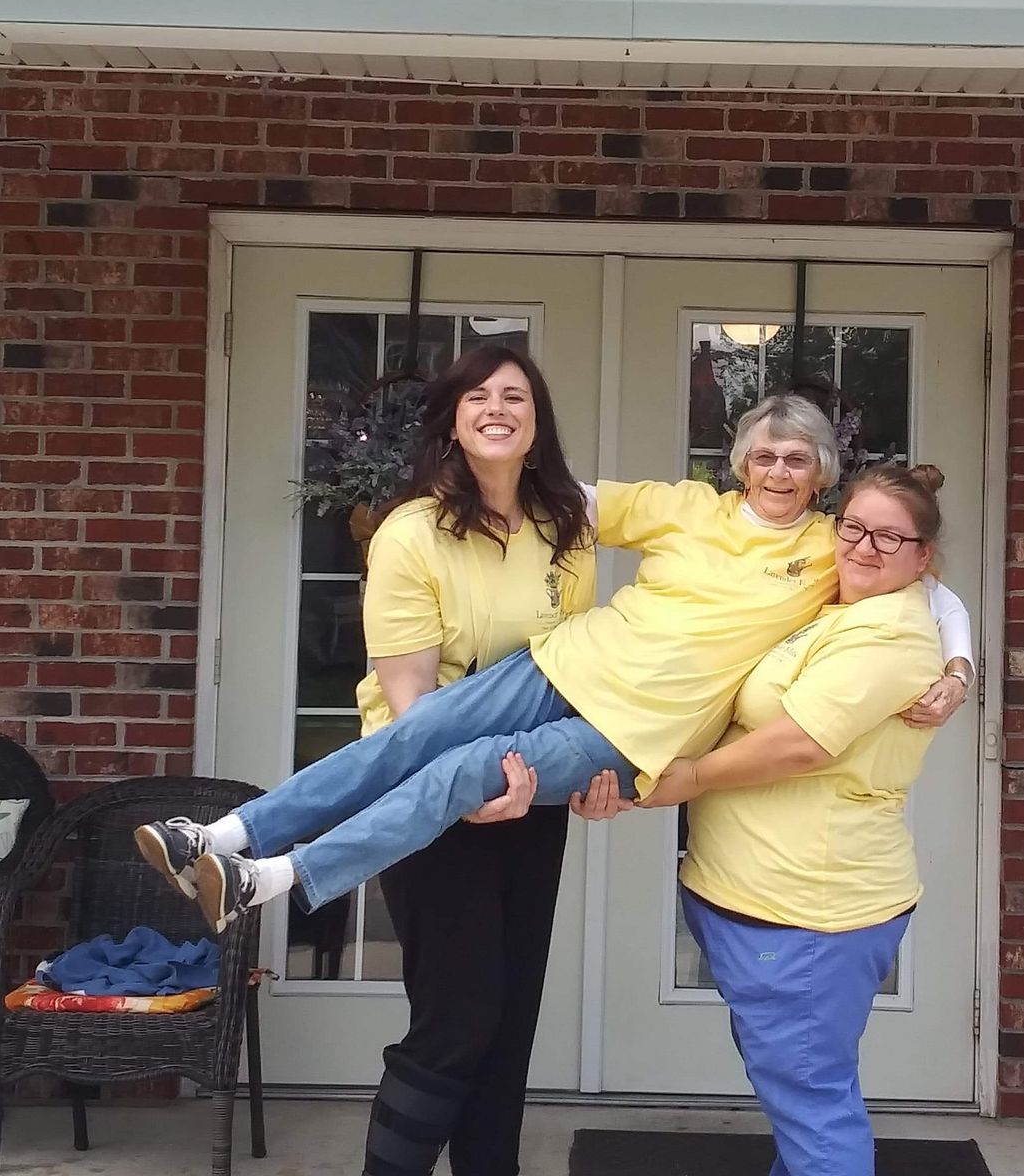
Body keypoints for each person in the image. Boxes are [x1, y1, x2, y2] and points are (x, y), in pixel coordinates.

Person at [135, 392, 973, 941]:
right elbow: (554, 497)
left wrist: (959, 670)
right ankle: (217, 837)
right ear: (740, 462)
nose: (779, 472)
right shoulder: (684, 507)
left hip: (628, 729)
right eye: (765, 455)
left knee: (464, 771)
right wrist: (456, 487)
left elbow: (935, 596)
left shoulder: (838, 547)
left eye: (797, 459)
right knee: (413, 730)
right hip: (558, 663)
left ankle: (271, 880)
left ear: (822, 472)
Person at [306, 346, 600, 1176]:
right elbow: (413, 705)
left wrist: (578, 768)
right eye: (478, 396)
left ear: (537, 424)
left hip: (529, 791)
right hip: (423, 794)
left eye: (516, 395)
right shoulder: (411, 533)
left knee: (508, 1025)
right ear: (453, 422)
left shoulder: (564, 530)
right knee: (458, 1017)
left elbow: (572, 669)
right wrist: (470, 787)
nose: (497, 406)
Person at [637, 463, 965, 1176]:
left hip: (806, 914)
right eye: (854, 527)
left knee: (813, 1106)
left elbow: (801, 742)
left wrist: (687, 778)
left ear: (922, 558)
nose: (863, 546)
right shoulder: (833, 603)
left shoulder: (891, 634)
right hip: (757, 901)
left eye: (889, 536)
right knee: (801, 1093)